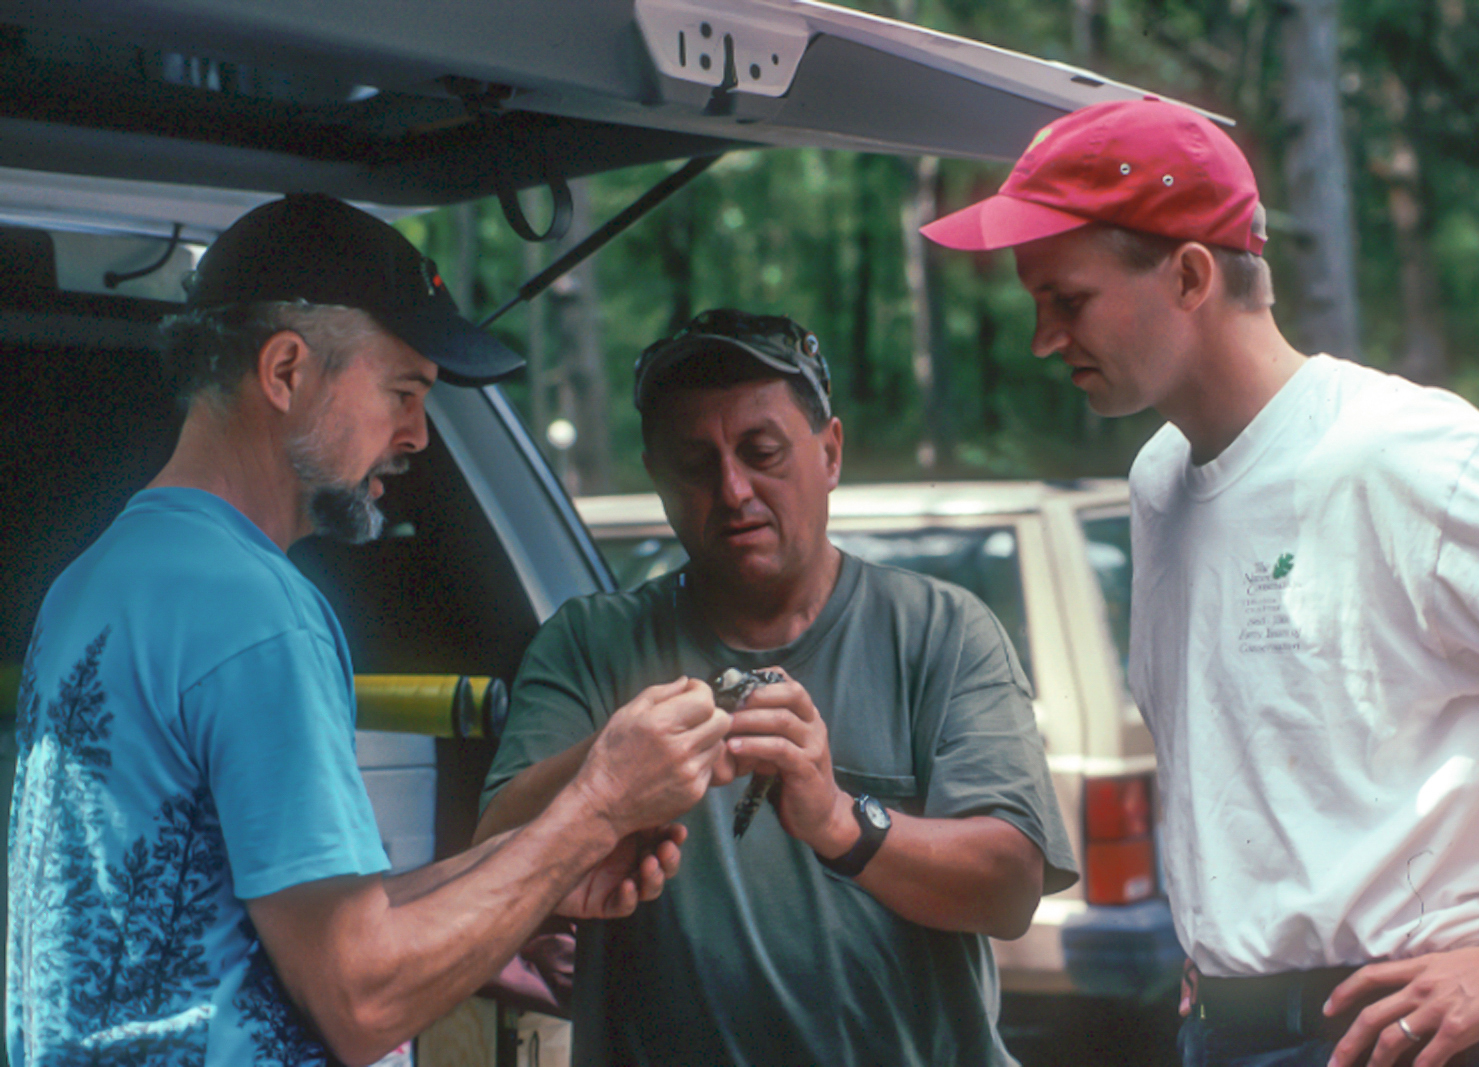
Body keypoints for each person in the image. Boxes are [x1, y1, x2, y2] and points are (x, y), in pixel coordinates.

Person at [922, 97, 1479, 1067]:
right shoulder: (1157, 480)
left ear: (1190, 273)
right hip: (1212, 1022)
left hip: (1392, 1028)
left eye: (1067, 300)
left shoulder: (1404, 457)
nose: (1042, 339)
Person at [7, 194, 732, 1067]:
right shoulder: (258, 612)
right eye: (401, 391)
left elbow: (297, 919)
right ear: (285, 371)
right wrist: (597, 805)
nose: (418, 435)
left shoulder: (93, 580)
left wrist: (529, 876)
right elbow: (360, 995)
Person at [476, 308, 1077, 1066]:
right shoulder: (591, 644)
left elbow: (1011, 887)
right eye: (695, 464)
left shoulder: (940, 630)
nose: (733, 489)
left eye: (763, 452)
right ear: (658, 476)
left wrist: (840, 820)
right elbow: (492, 855)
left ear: (830, 453)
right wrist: (609, 764)